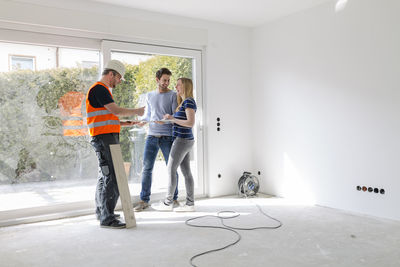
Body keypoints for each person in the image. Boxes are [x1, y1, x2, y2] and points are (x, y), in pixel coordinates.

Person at [86, 59, 144, 228]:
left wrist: (128, 123)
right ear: (111, 74)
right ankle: (107, 218)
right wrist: (137, 112)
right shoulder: (99, 89)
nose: (119, 81)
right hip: (104, 139)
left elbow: (108, 118)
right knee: (113, 177)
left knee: (105, 176)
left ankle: (103, 212)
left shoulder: (102, 90)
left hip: (104, 137)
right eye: (119, 78)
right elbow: (116, 110)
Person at [133, 68, 180, 212]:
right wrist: (142, 121)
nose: (167, 83)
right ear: (157, 79)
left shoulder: (173, 95)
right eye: (164, 80)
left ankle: (174, 198)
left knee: (171, 169)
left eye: (168, 80)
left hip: (167, 137)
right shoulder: (150, 95)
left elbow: (173, 117)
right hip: (152, 136)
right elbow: (148, 115)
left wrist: (164, 122)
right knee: (147, 168)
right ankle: (144, 200)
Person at [152, 77, 197, 212]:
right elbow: (179, 121)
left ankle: (168, 203)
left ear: (185, 87)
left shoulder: (188, 101)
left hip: (182, 140)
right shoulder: (184, 102)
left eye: (178, 85)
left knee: (171, 169)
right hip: (186, 140)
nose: (176, 87)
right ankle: (190, 204)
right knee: (186, 172)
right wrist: (166, 120)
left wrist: (173, 119)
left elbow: (190, 123)